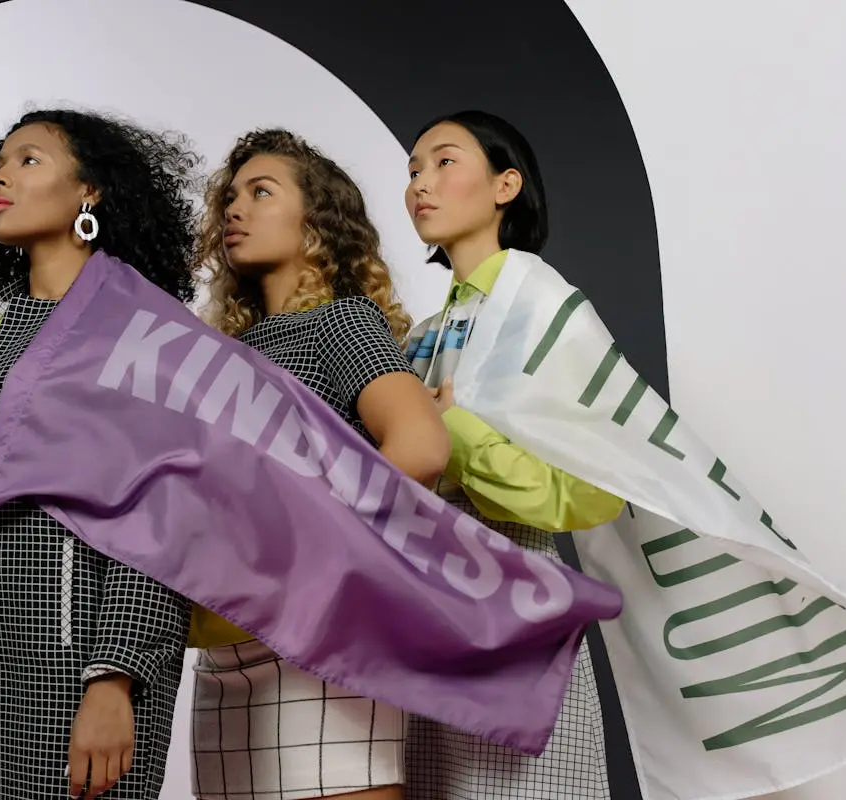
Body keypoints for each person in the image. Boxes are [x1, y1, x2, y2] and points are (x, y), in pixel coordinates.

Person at [0, 109, 199, 800]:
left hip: (80, 647)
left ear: (88, 191)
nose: (1, 175)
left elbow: (166, 512)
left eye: (29, 160)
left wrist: (116, 676)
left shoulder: (138, 325)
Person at [190, 129, 452, 800]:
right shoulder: (219, 353)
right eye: (232, 197)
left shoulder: (340, 324)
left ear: (314, 221)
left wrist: (312, 550)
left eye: (261, 192)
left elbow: (420, 446)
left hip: (322, 644)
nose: (235, 211)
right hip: (224, 648)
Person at [401, 109, 627, 799]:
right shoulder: (418, 335)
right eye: (413, 170)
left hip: (512, 611)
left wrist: (457, 435)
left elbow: (590, 492)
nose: (421, 184)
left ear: (505, 185)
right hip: (416, 617)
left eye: (444, 162)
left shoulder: (546, 311)